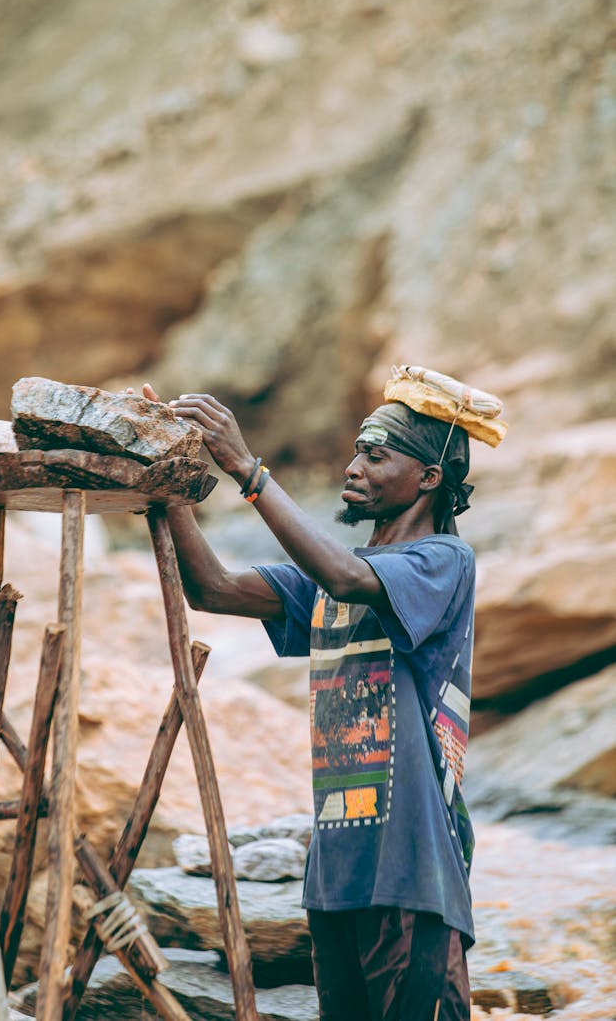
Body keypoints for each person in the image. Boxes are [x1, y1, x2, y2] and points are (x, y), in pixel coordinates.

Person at [134, 373, 486, 1021]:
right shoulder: (331, 581)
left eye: (376, 455)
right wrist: (165, 485)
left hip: (411, 875)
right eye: (357, 450)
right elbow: (211, 588)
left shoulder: (443, 563)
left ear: (429, 478)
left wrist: (247, 469)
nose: (354, 467)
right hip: (335, 877)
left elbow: (350, 577)